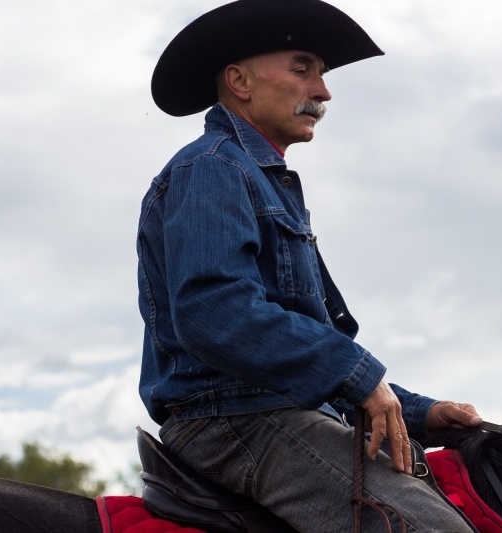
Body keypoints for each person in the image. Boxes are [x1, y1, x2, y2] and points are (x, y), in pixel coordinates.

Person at [137, 1, 483, 531]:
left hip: (275, 413)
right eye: (303, 68)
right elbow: (214, 311)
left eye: (320, 74)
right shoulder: (210, 169)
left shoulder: (262, 180)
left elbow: (312, 345)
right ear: (239, 81)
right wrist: (359, 376)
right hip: (233, 419)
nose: (323, 91)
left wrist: (421, 412)